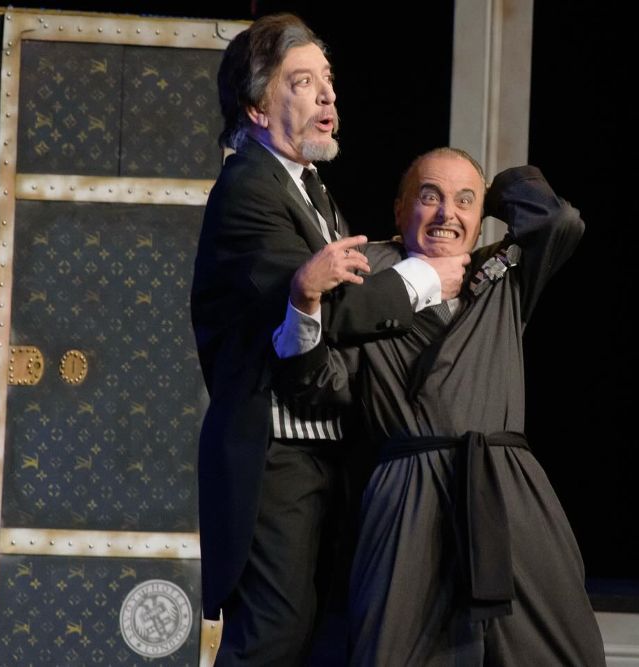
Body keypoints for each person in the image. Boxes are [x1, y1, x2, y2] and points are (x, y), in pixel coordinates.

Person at [190, 15, 468, 665]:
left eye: (328, 80)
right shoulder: (249, 189)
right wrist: (425, 279)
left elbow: (327, 305)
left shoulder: (307, 186)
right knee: (272, 638)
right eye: (303, 82)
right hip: (276, 458)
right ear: (258, 108)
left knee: (313, 636)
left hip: (322, 455)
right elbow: (335, 307)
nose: (328, 96)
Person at [275, 148, 607, 665]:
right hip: (409, 490)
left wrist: (487, 196)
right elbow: (319, 384)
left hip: (505, 486)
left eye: (464, 201)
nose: (446, 213)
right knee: (395, 650)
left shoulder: (503, 272)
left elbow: (558, 220)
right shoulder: (368, 279)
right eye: (429, 197)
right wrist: (305, 303)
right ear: (399, 208)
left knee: (552, 649)